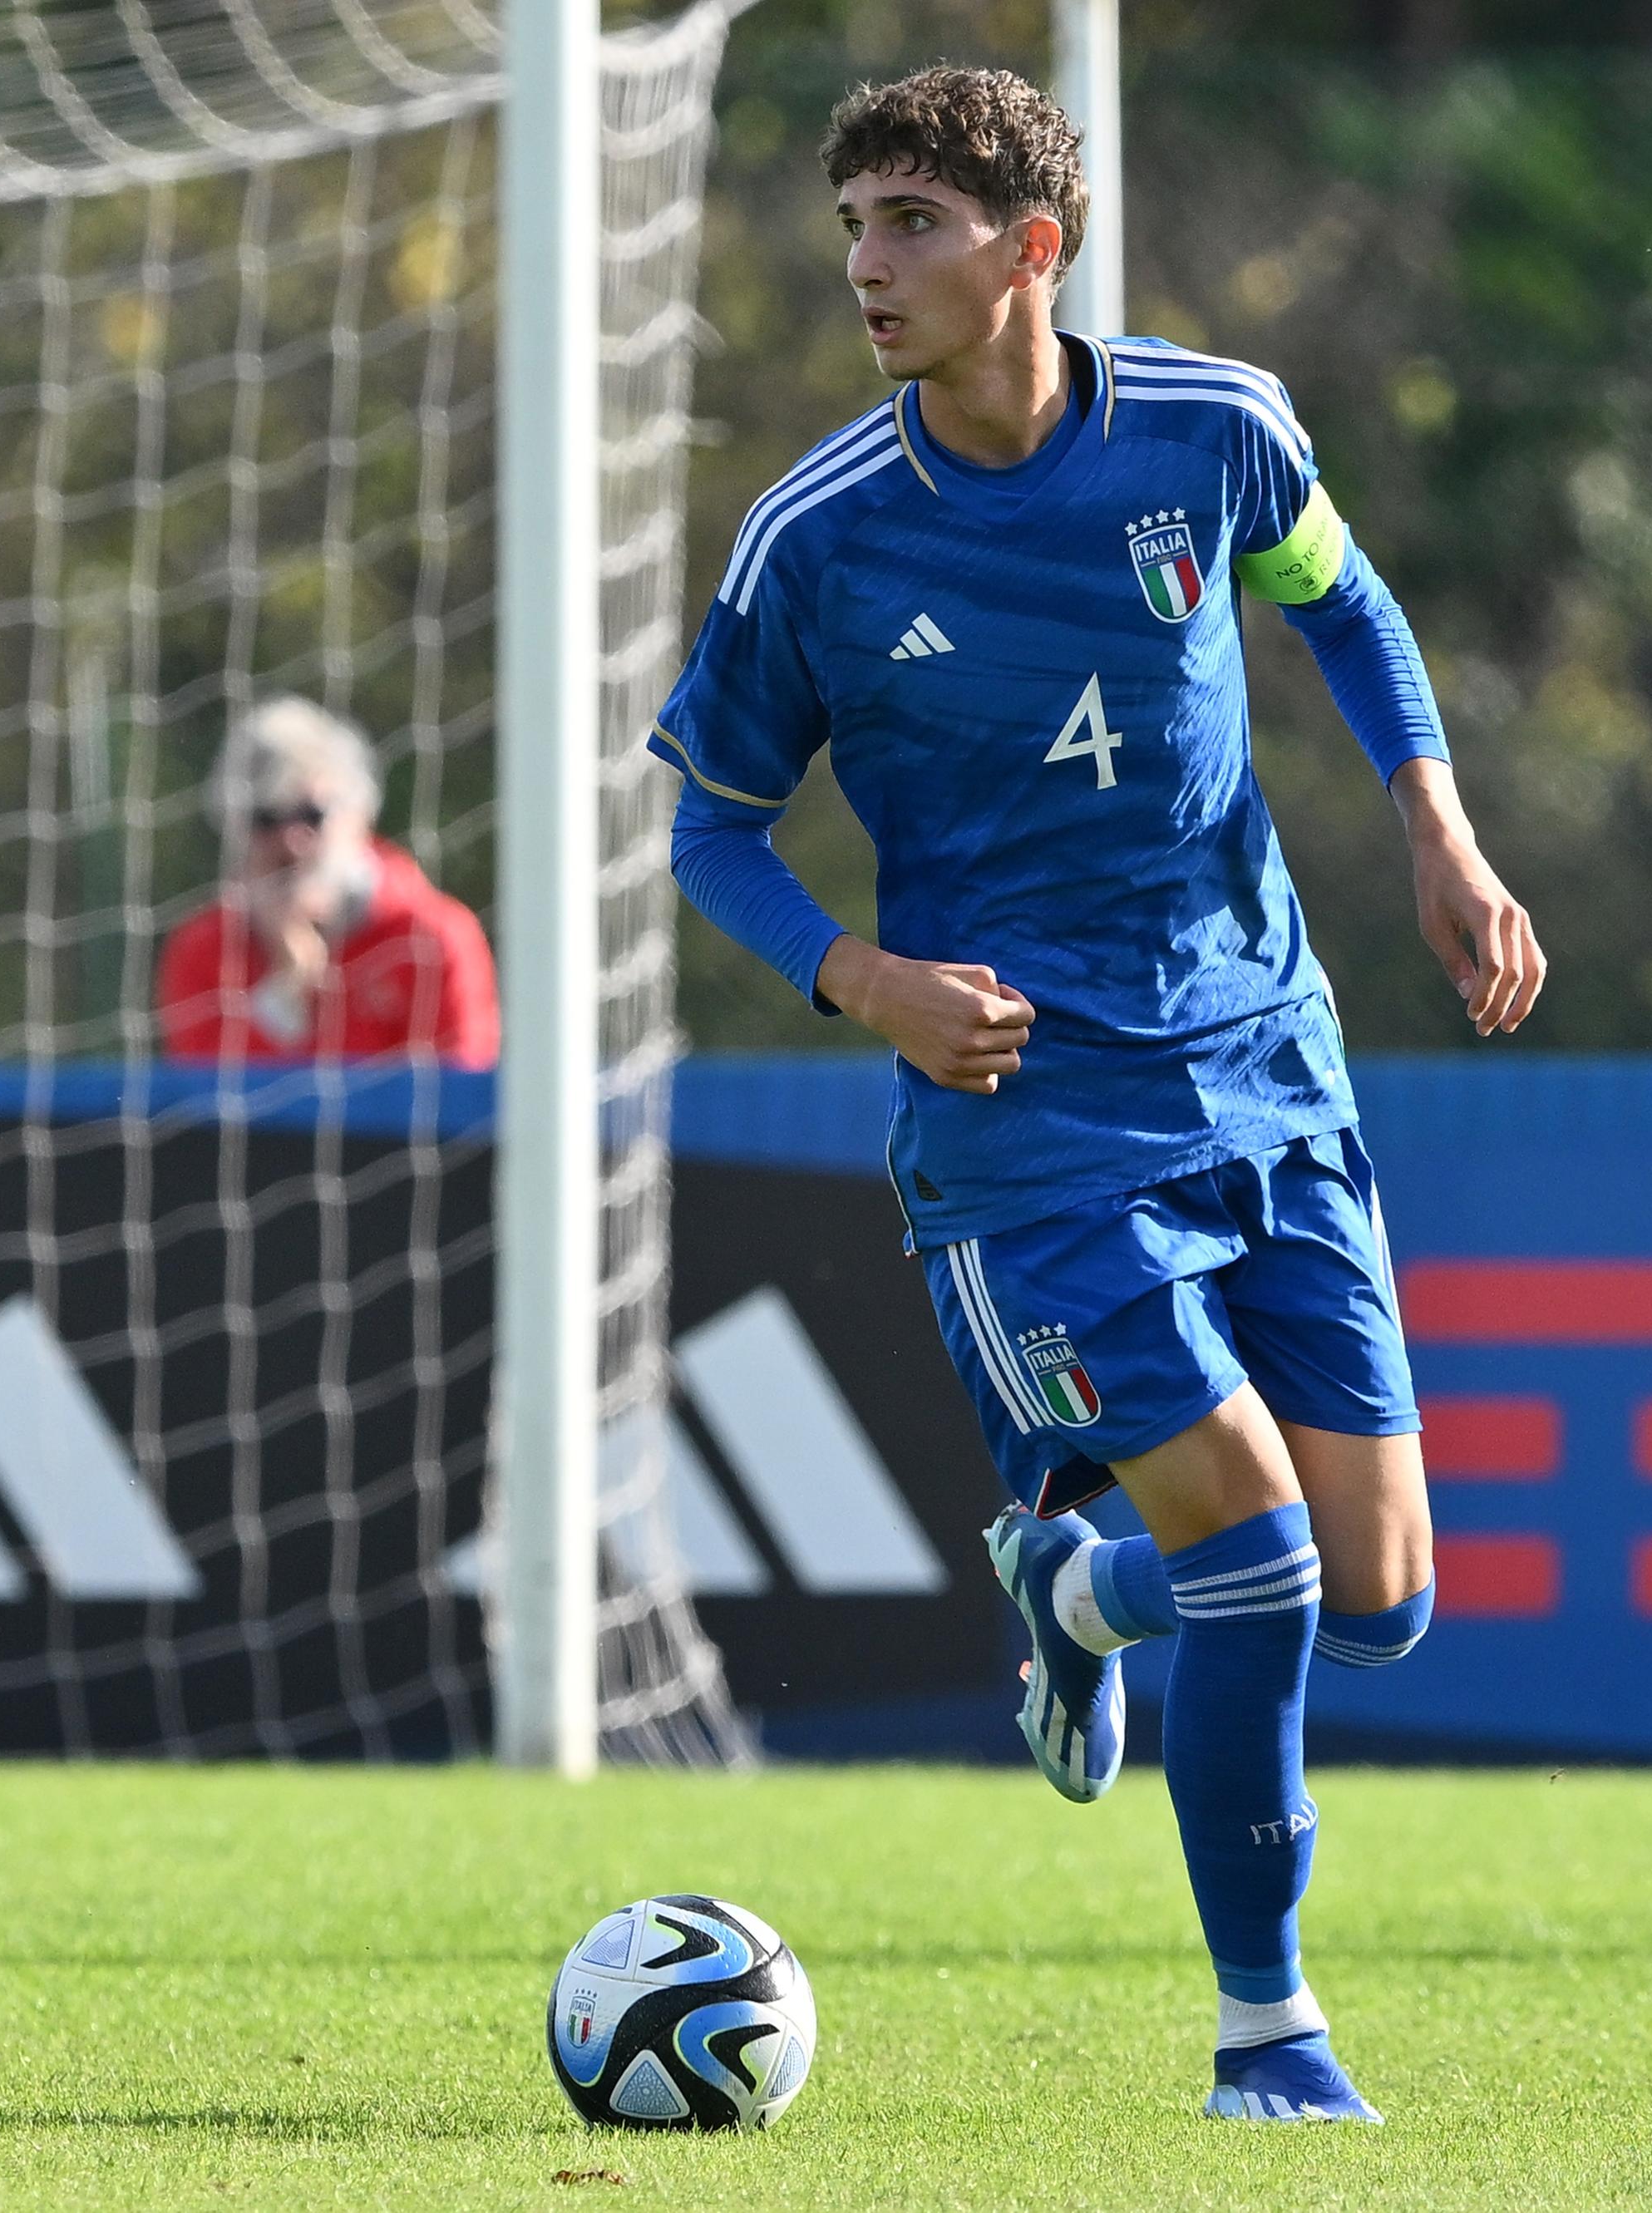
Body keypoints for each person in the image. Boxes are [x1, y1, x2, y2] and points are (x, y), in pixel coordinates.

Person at [650, 66, 1545, 2124]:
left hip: (1264, 1059)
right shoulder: (820, 535)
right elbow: (712, 823)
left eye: (912, 226)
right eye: (854, 225)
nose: (867, 268)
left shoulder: (1209, 431)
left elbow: (1348, 601)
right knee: (1262, 1572)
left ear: (1027, 250)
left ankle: (1069, 1583)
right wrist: (863, 976)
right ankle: (1267, 2037)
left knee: (1384, 1596)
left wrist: (1437, 831)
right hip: (1028, 1116)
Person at [155, 697, 500, 1067]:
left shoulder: (434, 937)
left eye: (312, 815)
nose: (291, 839)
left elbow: (463, 1083)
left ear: (360, 814)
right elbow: (202, 1103)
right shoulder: (204, 948)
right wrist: (284, 993)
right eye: (267, 819)